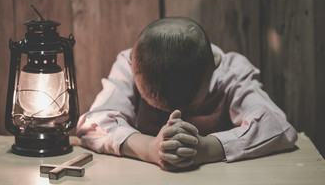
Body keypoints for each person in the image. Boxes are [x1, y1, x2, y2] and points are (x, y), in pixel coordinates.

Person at [76, 17, 297, 171]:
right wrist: (150, 149)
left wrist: (208, 148)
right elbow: (92, 125)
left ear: (216, 67)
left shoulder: (230, 72)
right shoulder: (130, 62)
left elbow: (276, 125)